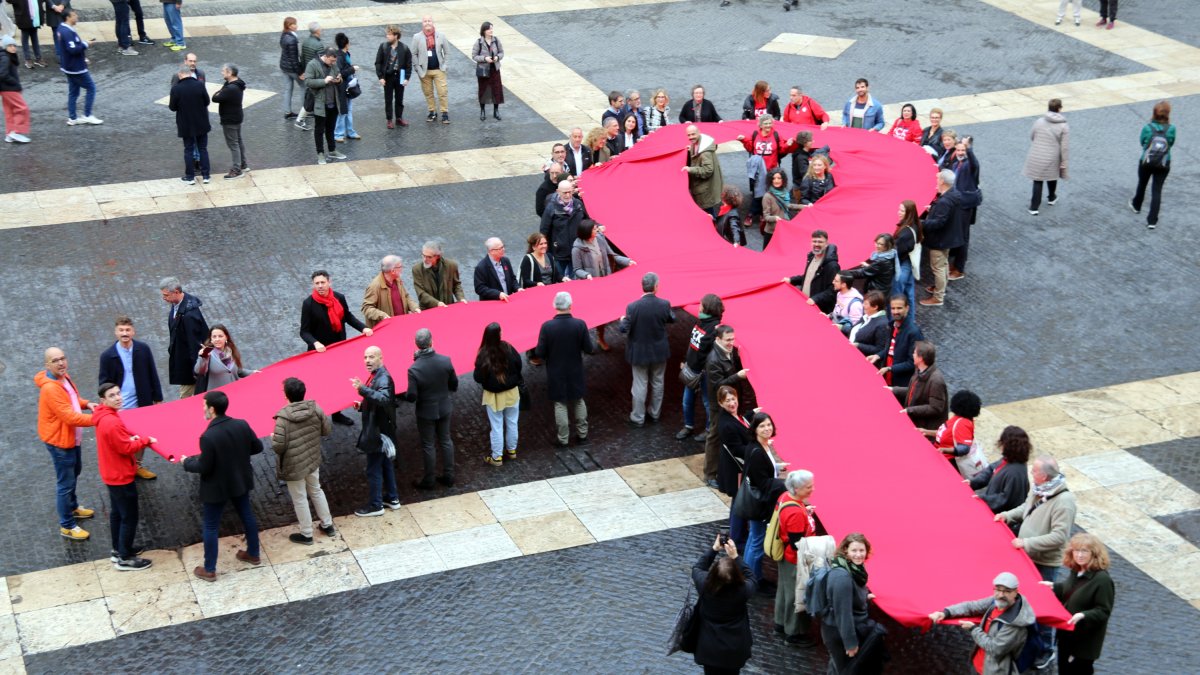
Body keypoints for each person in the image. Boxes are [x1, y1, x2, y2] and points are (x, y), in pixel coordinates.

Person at [996, 454, 1078, 669]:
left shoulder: (1064, 502)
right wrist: (1007, 515)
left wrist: (1027, 543)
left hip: (1045, 563)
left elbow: (1059, 537)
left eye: (1034, 471)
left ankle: (1046, 650)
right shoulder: (1039, 489)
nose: (1031, 473)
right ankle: (1029, 643)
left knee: (1044, 609)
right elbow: (1026, 508)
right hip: (1027, 557)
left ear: (1044, 476)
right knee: (1026, 602)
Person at [184, 391, 263, 582]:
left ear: (212, 409)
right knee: (247, 515)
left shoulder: (208, 437)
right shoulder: (241, 424)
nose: (203, 409)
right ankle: (253, 554)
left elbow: (203, 466)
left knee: (211, 525)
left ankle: (209, 569)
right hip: (240, 481)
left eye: (204, 406)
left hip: (216, 487)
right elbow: (257, 447)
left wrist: (186, 462)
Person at [93, 382, 155, 570]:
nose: (118, 398)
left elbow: (118, 441)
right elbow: (125, 448)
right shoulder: (112, 421)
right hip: (120, 475)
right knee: (129, 516)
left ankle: (118, 549)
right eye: (112, 396)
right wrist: (145, 440)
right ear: (103, 400)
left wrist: (129, 438)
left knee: (117, 514)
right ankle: (125, 558)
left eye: (118, 393)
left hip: (111, 473)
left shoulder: (104, 416)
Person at [36, 347, 97, 541]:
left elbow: (72, 399)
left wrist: (86, 404)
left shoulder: (63, 378)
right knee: (66, 483)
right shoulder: (50, 388)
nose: (61, 363)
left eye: (62, 358)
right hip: (61, 442)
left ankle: (72, 507)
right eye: (55, 360)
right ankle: (67, 525)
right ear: (47, 365)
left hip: (71, 438)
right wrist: (99, 419)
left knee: (75, 472)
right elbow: (69, 416)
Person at [301, 269, 373, 425]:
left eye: (323, 282)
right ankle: (321, 413)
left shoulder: (339, 297)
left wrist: (363, 328)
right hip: (320, 352)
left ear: (329, 282)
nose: (320, 286)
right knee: (324, 384)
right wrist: (315, 343)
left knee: (339, 381)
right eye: (317, 283)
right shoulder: (308, 304)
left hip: (339, 348)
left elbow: (347, 316)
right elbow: (304, 331)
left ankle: (337, 413)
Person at [930, 572, 1036, 675]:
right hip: (978, 664)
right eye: (998, 589)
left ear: (1016, 592)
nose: (1001, 595)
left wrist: (973, 629)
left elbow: (995, 649)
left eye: (1007, 591)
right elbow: (971, 606)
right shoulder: (995, 602)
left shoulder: (1015, 623)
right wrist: (946, 613)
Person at [271, 377, 336, 544]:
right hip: (312, 459)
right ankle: (327, 525)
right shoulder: (315, 408)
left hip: (293, 465)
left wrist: (273, 438)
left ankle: (307, 534)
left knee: (299, 498)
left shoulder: (283, 419)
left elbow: (279, 447)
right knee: (316, 490)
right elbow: (326, 430)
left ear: (286, 395)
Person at [97, 316, 162, 480]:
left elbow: (152, 373)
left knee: (141, 435)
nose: (124, 333)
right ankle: (126, 466)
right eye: (121, 330)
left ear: (133, 331)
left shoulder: (143, 349)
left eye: (127, 330)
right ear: (115, 332)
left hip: (142, 402)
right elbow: (103, 383)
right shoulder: (107, 356)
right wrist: (107, 403)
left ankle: (137, 465)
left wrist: (158, 398)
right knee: (123, 439)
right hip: (119, 406)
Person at [1043, 533, 1116, 675]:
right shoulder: (1076, 571)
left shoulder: (1103, 580)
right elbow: (1069, 590)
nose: (1079, 555)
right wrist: (1053, 586)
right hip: (1067, 636)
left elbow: (1103, 611)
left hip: (1082, 644)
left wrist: (1083, 615)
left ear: (1094, 554)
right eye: (1076, 550)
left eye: (1084, 551)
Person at [535, 291, 596, 447]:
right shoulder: (580, 324)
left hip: (556, 371)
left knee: (560, 404)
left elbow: (539, 353)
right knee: (579, 401)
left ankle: (563, 439)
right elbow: (589, 348)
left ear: (555, 306)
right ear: (570, 306)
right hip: (575, 369)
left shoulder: (547, 327)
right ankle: (582, 435)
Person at [821, 533, 885, 673]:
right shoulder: (842, 577)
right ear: (846, 551)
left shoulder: (854, 569)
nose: (858, 555)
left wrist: (864, 596)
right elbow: (843, 614)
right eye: (854, 550)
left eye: (862, 550)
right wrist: (850, 643)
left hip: (845, 629)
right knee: (846, 670)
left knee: (837, 668)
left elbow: (850, 595)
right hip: (839, 633)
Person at [691, 536, 756, 674]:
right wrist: (735, 557)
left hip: (709, 647)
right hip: (734, 648)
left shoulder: (704, 585)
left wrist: (714, 549)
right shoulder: (743, 590)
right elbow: (752, 577)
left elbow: (698, 567)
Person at [403, 329, 458, 489]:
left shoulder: (414, 369)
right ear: (432, 341)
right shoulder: (445, 361)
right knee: (446, 440)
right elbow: (454, 384)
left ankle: (429, 480)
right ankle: (449, 475)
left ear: (416, 344)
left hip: (426, 411)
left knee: (428, 445)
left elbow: (412, 396)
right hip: (444, 407)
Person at [619, 272, 675, 427]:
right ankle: (655, 413)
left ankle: (638, 417)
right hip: (659, 351)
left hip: (639, 353)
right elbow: (672, 318)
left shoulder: (632, 307)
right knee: (658, 382)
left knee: (639, 385)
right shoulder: (664, 304)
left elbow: (623, 329)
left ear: (642, 286)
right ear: (656, 287)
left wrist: (622, 320)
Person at [350, 346, 400, 516]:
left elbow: (384, 399)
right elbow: (377, 400)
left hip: (377, 432)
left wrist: (362, 389)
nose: (367, 361)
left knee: (373, 469)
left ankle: (376, 505)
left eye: (371, 357)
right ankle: (392, 498)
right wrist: (362, 405)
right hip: (381, 429)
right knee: (385, 464)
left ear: (380, 358)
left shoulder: (383, 378)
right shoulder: (378, 375)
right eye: (365, 357)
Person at [572, 220, 634, 350]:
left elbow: (612, 255)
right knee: (597, 312)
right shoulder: (577, 249)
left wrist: (628, 261)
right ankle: (597, 338)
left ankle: (603, 335)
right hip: (591, 285)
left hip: (606, 280)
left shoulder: (600, 238)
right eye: (594, 229)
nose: (597, 230)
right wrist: (586, 275)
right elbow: (577, 269)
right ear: (587, 232)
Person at [774, 470, 817, 647]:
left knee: (784, 591)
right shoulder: (796, 513)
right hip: (795, 560)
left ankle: (780, 623)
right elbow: (797, 544)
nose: (812, 489)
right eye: (808, 487)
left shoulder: (785, 497)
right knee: (797, 596)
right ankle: (794, 633)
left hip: (786, 557)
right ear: (797, 489)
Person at [742, 412, 785, 586]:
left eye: (769, 425)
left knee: (753, 537)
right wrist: (785, 483)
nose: (767, 428)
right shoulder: (757, 452)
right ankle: (754, 580)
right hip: (759, 503)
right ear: (755, 429)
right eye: (762, 426)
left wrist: (778, 467)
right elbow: (762, 482)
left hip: (756, 502)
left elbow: (765, 471)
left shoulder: (761, 446)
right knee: (757, 542)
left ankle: (746, 574)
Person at [704, 325, 749, 489]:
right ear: (718, 339)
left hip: (728, 401)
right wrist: (737, 376)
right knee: (714, 437)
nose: (731, 343)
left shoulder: (727, 351)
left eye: (733, 339)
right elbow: (718, 386)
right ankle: (710, 475)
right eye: (728, 340)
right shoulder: (713, 360)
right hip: (719, 405)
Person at [474, 322, 522, 466]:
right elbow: (519, 364)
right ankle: (512, 450)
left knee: (496, 426)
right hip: (512, 393)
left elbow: (478, 377)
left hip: (494, 397)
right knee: (512, 422)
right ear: (499, 334)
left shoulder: (483, 354)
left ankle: (497, 457)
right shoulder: (508, 348)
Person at [677, 294, 723, 441]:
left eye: (701, 305)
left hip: (704, 373)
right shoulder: (702, 322)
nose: (699, 307)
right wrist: (687, 360)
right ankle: (688, 426)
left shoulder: (714, 329)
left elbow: (705, 352)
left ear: (707, 308)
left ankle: (709, 430)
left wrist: (692, 365)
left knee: (707, 403)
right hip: (693, 369)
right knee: (687, 401)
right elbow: (693, 345)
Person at [919, 169, 967, 307]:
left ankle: (938, 297)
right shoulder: (954, 194)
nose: (936, 181)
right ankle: (941, 289)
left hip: (940, 240)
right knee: (944, 264)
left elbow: (938, 223)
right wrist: (934, 210)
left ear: (942, 181)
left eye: (938, 178)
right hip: (948, 237)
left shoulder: (944, 201)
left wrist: (921, 223)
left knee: (938, 268)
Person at [159, 277, 209, 398]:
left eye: (166, 295)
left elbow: (195, 345)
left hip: (190, 370)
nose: (163, 298)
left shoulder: (189, 315)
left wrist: (196, 372)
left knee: (186, 400)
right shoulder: (177, 304)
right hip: (185, 364)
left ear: (176, 292)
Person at [1130, 100, 1175, 230]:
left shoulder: (1147, 128)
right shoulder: (1172, 129)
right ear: (1168, 114)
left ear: (1154, 113)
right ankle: (1152, 221)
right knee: (1157, 190)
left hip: (1146, 161)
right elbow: (1171, 143)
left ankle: (1136, 206)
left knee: (1142, 184)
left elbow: (1142, 142)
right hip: (1164, 162)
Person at [970, 425, 1032, 514]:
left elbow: (1005, 500)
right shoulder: (1009, 459)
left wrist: (983, 499)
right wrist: (973, 482)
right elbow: (991, 469)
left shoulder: (1015, 473)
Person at [1024, 98, 1070, 215]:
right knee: (1052, 176)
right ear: (1059, 108)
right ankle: (1051, 197)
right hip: (1053, 156)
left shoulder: (1039, 121)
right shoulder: (1063, 126)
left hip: (1037, 154)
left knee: (1038, 180)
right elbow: (1064, 147)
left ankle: (1034, 207)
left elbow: (1032, 136)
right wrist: (1064, 161)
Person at [867, 294, 925, 387]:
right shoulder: (891, 326)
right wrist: (878, 355)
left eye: (899, 308)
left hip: (900, 384)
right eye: (893, 308)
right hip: (887, 377)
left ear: (907, 308)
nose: (895, 311)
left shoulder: (914, 333)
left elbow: (913, 362)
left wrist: (890, 368)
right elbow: (891, 349)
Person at [890, 341, 947, 433]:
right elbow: (913, 391)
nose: (912, 355)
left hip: (925, 429)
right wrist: (893, 390)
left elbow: (935, 408)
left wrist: (910, 410)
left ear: (920, 358)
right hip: (915, 422)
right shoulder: (919, 370)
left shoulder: (936, 381)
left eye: (914, 353)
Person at [57, 10, 102, 126]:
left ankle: (72, 118)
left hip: (68, 66)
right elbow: (72, 50)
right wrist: (86, 44)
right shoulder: (67, 32)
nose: (77, 17)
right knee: (91, 88)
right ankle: (87, 115)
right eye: (74, 15)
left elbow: (68, 48)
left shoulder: (62, 29)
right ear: (68, 17)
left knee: (73, 92)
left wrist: (83, 57)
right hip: (75, 68)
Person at [944, 138, 980, 279]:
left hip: (965, 205)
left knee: (963, 236)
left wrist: (969, 148)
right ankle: (955, 261)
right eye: (958, 150)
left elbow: (974, 163)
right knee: (957, 232)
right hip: (957, 204)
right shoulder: (956, 164)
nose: (960, 152)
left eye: (963, 150)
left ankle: (959, 268)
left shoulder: (969, 165)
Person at [169, 65, 211, 184]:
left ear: (180, 74)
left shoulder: (176, 89)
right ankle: (206, 175)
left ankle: (190, 177)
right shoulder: (200, 85)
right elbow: (207, 101)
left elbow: (172, 107)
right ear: (190, 74)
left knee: (188, 150)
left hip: (186, 124)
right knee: (203, 149)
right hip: (201, 122)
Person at [304, 47, 345, 165]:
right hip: (320, 104)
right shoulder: (312, 64)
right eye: (331, 60)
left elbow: (339, 76)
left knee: (331, 128)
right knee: (319, 130)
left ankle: (332, 150)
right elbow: (307, 82)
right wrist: (324, 81)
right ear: (326, 57)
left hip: (333, 103)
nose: (333, 63)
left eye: (334, 61)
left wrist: (339, 80)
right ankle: (320, 153)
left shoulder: (333, 64)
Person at [785, 230, 840, 314]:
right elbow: (808, 277)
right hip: (806, 303)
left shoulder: (832, 265)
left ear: (826, 244)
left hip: (819, 309)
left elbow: (833, 289)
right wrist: (791, 280)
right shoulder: (811, 257)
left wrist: (815, 299)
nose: (816, 244)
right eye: (814, 241)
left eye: (820, 242)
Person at [362, 255, 420, 328]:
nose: (402, 269)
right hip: (386, 328)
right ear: (393, 271)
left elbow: (406, 296)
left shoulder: (397, 280)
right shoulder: (374, 286)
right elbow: (366, 308)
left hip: (402, 324)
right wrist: (382, 316)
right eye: (400, 267)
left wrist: (414, 307)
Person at [211, 63, 247, 179]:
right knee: (238, 141)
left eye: (223, 71)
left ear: (230, 73)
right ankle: (243, 164)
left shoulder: (230, 88)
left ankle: (237, 170)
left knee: (233, 144)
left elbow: (215, 98)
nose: (222, 73)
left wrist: (219, 91)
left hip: (229, 119)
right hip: (237, 116)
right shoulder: (237, 83)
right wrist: (222, 90)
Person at [194, 324, 254, 392]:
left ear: (226, 337)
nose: (217, 339)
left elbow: (238, 371)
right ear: (211, 339)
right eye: (214, 337)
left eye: (220, 336)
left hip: (234, 392)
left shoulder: (230, 351)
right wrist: (203, 357)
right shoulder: (207, 354)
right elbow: (198, 371)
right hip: (217, 395)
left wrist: (253, 373)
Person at [412, 16, 450, 123]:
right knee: (428, 93)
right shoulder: (416, 37)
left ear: (433, 22)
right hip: (425, 71)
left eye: (429, 21)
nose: (427, 23)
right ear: (422, 23)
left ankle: (444, 113)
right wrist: (417, 68)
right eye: (425, 21)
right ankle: (432, 112)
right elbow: (413, 54)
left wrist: (445, 65)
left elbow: (447, 52)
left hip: (439, 70)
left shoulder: (441, 36)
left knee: (442, 92)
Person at [927, 389, 980, 464]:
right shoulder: (957, 418)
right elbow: (944, 433)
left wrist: (944, 450)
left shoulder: (963, 423)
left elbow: (964, 448)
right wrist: (926, 431)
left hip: (947, 461)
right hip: (938, 454)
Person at [412, 240, 468, 309]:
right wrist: (437, 303)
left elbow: (456, 285)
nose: (425, 259)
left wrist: (461, 298)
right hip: (428, 310)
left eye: (429, 257)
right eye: (423, 256)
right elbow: (421, 293)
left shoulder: (452, 266)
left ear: (438, 256)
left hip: (447, 307)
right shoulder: (417, 269)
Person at [375, 25, 411, 129]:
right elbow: (378, 63)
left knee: (399, 99)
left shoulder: (404, 48)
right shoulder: (383, 47)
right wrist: (381, 77)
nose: (387, 36)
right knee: (388, 99)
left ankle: (399, 118)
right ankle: (389, 119)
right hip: (388, 76)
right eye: (387, 34)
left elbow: (408, 65)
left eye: (389, 34)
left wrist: (406, 78)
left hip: (400, 76)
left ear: (396, 36)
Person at [684, 124, 724, 218]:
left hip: (705, 189)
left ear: (699, 133)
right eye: (688, 135)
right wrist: (690, 150)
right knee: (707, 210)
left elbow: (708, 170)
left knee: (707, 212)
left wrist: (690, 169)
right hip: (704, 187)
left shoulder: (705, 152)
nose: (691, 137)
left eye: (693, 134)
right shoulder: (698, 144)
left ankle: (713, 225)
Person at [891, 201, 922, 309]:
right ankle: (909, 317)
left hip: (903, 264)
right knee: (909, 295)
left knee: (896, 297)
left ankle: (894, 318)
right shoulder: (915, 225)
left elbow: (897, 253)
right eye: (899, 209)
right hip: (909, 262)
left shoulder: (905, 233)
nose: (898, 212)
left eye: (902, 211)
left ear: (909, 213)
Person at [331, 33, 362, 143]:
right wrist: (353, 69)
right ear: (346, 44)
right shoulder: (341, 56)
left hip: (347, 86)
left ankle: (350, 131)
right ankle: (338, 133)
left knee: (348, 110)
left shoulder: (344, 54)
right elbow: (340, 73)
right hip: (342, 87)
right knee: (343, 110)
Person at [471, 21, 504, 121]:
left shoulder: (496, 40)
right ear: (484, 30)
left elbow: (501, 52)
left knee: (496, 90)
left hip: (495, 69)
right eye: (489, 29)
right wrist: (485, 58)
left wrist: (497, 57)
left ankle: (496, 111)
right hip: (484, 70)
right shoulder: (479, 42)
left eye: (492, 28)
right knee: (483, 90)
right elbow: (474, 56)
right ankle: (482, 111)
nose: (491, 30)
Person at [761, 168, 798, 250]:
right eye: (774, 178)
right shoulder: (767, 196)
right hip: (772, 232)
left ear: (783, 180)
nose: (776, 181)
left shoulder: (785, 193)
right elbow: (766, 216)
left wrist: (805, 207)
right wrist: (775, 218)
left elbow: (788, 206)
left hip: (784, 230)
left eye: (779, 178)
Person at [279, 17, 307, 125]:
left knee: (288, 89)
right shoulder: (292, 40)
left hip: (284, 67)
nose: (296, 26)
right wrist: (300, 73)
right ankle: (304, 111)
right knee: (303, 86)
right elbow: (294, 59)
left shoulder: (284, 35)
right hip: (292, 69)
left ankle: (287, 112)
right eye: (294, 24)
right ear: (289, 26)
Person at [473, 237, 519, 302]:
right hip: (493, 303)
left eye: (503, 246)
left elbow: (512, 279)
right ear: (491, 251)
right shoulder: (481, 267)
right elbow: (480, 288)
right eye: (500, 248)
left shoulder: (506, 261)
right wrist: (498, 294)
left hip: (508, 300)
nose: (503, 249)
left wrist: (518, 288)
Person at [789, 131, 830, 201]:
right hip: (801, 187)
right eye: (810, 140)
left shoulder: (805, 152)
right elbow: (805, 173)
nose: (813, 141)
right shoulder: (801, 157)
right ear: (805, 143)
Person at [849, 291, 889, 357]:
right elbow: (856, 330)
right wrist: (841, 327)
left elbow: (879, 349)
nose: (863, 305)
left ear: (875, 307)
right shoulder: (866, 316)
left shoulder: (882, 324)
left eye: (866, 304)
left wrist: (859, 345)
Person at [10, 0, 45, 64]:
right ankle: (28, 59)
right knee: (25, 38)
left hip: (35, 18)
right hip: (23, 18)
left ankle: (38, 58)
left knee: (35, 38)